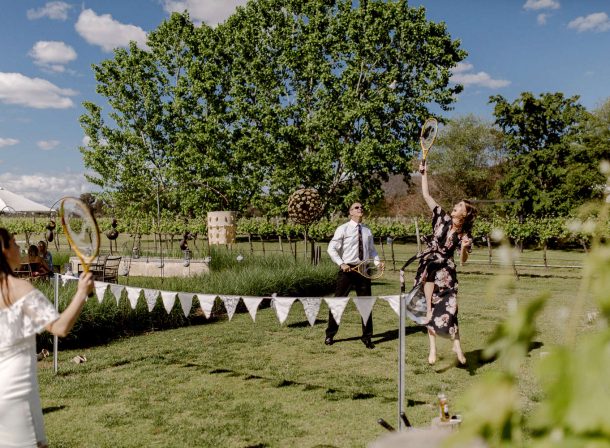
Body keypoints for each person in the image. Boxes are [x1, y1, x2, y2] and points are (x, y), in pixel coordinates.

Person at [0, 228, 94, 447]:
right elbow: (60, 327)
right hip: (17, 393)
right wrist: (81, 292)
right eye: (14, 243)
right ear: (3, 251)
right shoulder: (19, 289)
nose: (19, 248)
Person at [415, 162, 477, 365]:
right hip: (431, 263)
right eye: (457, 205)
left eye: (460, 206)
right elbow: (427, 196)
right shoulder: (442, 218)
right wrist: (424, 174)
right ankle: (432, 350)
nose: (455, 206)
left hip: (447, 272)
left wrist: (466, 248)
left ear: (465, 214)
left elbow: (462, 260)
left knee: (451, 308)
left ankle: (456, 345)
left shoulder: (464, 234)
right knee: (430, 309)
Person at [326, 202, 383, 349]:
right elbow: (331, 249)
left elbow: (372, 250)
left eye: (361, 207)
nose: (360, 209)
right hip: (347, 271)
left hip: (364, 270)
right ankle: (330, 335)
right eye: (356, 207)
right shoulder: (342, 229)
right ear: (350, 212)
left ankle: (367, 337)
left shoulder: (367, 230)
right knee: (338, 303)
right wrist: (341, 263)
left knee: (366, 305)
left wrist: (377, 263)